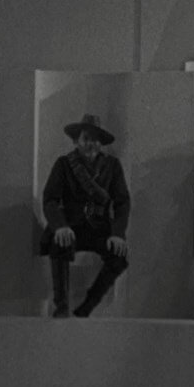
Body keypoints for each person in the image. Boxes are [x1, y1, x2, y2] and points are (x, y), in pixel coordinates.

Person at [40, 114, 130, 318]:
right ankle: (61, 306)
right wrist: (60, 226)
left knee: (119, 257)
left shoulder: (112, 166)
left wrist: (118, 233)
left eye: (96, 140)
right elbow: (50, 199)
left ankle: (86, 307)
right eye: (86, 138)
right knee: (59, 243)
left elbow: (122, 202)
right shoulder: (64, 164)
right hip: (71, 226)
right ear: (76, 141)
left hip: (99, 228)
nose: (91, 144)